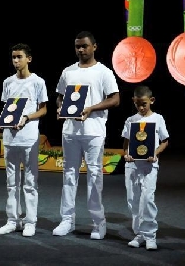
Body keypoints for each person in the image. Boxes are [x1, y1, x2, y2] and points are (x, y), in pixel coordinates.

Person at [52, 30, 120, 240]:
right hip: (70, 131)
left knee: (94, 177)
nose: (81, 50)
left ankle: (98, 223)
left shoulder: (104, 72)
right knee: (69, 175)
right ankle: (67, 220)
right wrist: (60, 108)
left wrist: (91, 108)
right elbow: (60, 97)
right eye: (77, 46)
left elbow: (115, 99)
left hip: (94, 132)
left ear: (94, 47)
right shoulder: (68, 71)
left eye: (84, 46)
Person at [0, 43, 48, 237]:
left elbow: (44, 109)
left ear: (29, 59)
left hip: (29, 138)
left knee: (30, 182)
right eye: (13, 57)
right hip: (9, 138)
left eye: (19, 57)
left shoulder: (38, 82)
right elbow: (7, 109)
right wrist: (1, 122)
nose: (16, 61)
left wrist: (26, 118)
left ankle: (30, 221)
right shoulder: (7, 82)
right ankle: (12, 220)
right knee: (11, 182)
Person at [121, 85, 169, 250]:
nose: (141, 108)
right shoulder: (131, 120)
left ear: (152, 101)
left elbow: (165, 141)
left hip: (149, 166)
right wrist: (126, 154)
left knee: (147, 199)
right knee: (133, 200)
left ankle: (150, 235)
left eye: (144, 104)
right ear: (133, 102)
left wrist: (155, 153)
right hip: (133, 166)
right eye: (138, 104)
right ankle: (139, 233)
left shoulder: (158, 119)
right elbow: (126, 143)